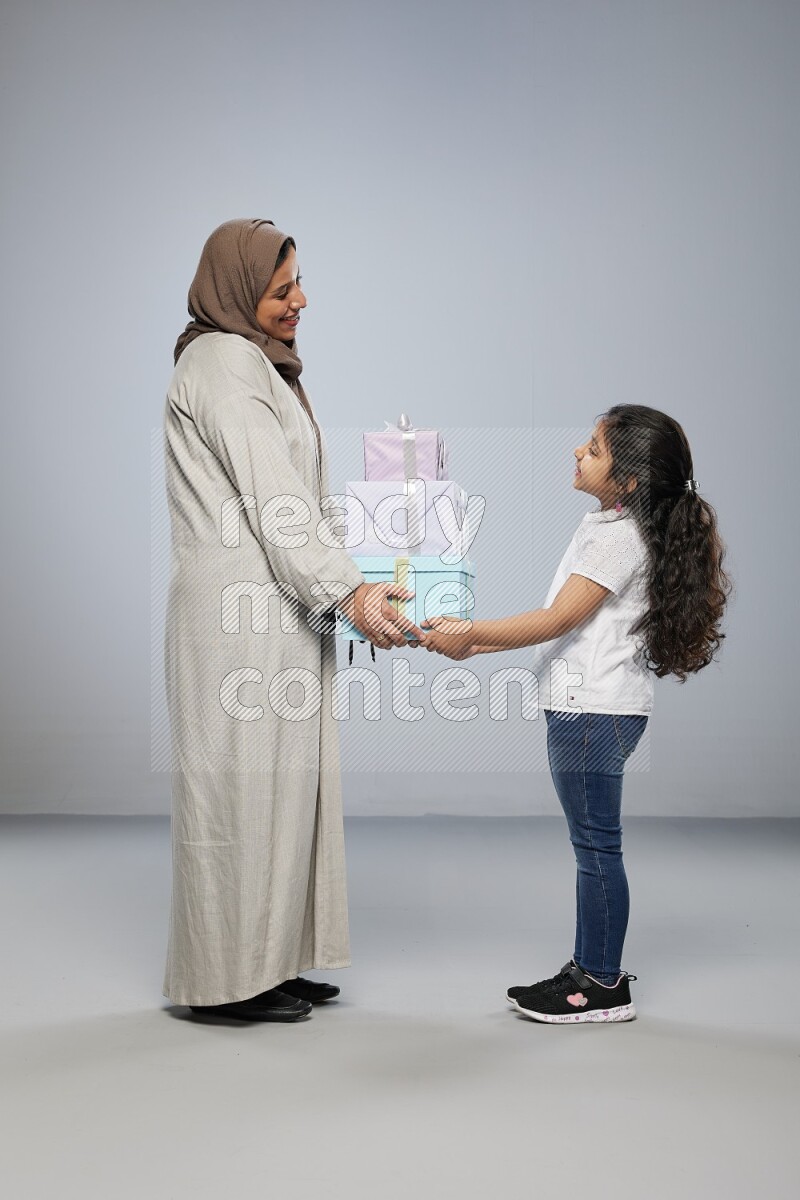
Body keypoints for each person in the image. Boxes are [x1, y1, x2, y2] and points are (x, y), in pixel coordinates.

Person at [162, 218, 422, 1023]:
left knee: (286, 791)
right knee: (240, 796)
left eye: (299, 283)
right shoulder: (224, 364)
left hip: (279, 606)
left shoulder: (260, 369)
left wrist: (358, 588)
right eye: (282, 290)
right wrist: (347, 594)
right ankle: (223, 983)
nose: (300, 301)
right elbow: (278, 503)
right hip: (240, 618)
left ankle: (268, 963)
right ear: (240, 291)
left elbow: (304, 503)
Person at [419, 405, 732, 1023]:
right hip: (596, 708)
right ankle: (591, 965)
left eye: (593, 448)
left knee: (595, 847)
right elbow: (561, 625)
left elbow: (559, 619)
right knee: (594, 845)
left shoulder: (617, 536)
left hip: (591, 712)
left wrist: (469, 634)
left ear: (629, 480)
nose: (577, 452)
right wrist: (469, 643)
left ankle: (599, 984)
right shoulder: (614, 522)